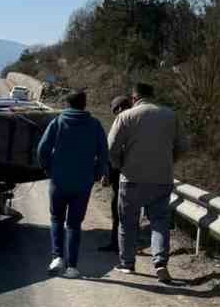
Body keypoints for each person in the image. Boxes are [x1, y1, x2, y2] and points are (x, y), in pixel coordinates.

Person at [106, 82, 187, 284]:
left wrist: (120, 165)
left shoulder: (125, 116)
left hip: (131, 178)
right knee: (159, 222)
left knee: (127, 222)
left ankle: (127, 263)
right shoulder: (170, 115)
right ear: (153, 95)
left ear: (134, 98)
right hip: (162, 179)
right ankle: (160, 263)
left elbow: (111, 148)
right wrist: (169, 161)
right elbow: (183, 146)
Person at [35, 89, 109, 278]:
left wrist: (48, 169)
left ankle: (57, 257)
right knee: (74, 225)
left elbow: (42, 149)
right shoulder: (94, 125)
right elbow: (103, 154)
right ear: (85, 104)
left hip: (58, 182)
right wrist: (96, 175)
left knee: (57, 219)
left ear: (67, 104)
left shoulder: (58, 122)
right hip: (82, 184)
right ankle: (72, 267)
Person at [97, 95, 132, 251]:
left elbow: (112, 150)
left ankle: (117, 244)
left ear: (118, 108)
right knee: (131, 213)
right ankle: (128, 244)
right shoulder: (140, 121)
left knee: (118, 211)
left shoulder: (122, 122)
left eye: (115, 110)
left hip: (122, 175)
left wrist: (107, 173)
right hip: (144, 174)